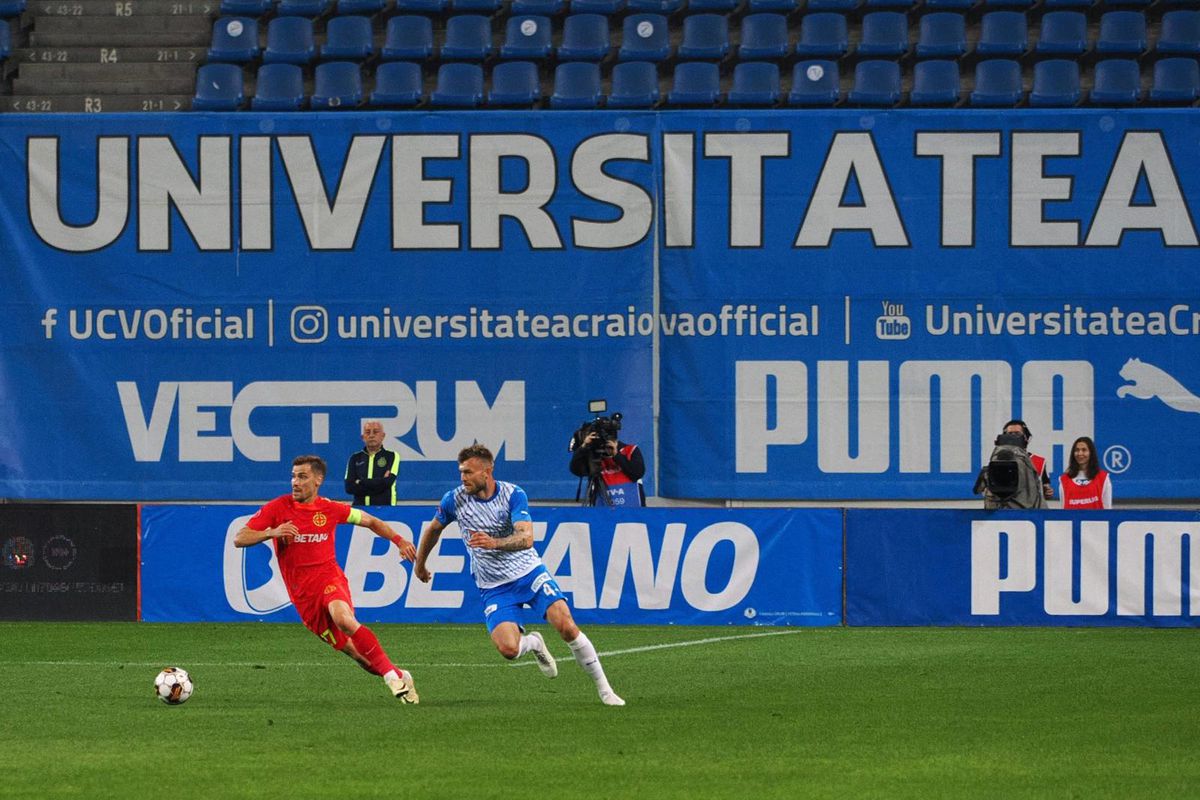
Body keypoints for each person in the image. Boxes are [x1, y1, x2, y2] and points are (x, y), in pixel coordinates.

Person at [415, 443, 625, 706]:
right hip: (493, 586)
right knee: (509, 650)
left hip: (528, 573)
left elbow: (526, 539)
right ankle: (534, 643)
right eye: (461, 472)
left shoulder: (513, 494)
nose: (463, 478)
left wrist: (494, 543)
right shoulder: (454, 499)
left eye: (468, 472)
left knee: (566, 625)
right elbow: (433, 530)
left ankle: (605, 690)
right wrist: (420, 565)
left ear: (487, 472)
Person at [235, 455, 420, 703]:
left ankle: (390, 677)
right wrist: (272, 532)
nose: (295, 482)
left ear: (318, 479)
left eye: (302, 476)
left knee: (343, 619)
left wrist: (400, 541)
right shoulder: (278, 508)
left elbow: (371, 521)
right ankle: (400, 674)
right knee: (361, 658)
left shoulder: (330, 509)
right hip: (304, 597)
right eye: (293, 476)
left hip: (329, 579)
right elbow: (240, 537)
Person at [568, 423, 646, 507]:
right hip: (603, 511)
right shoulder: (594, 455)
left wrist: (616, 454)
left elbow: (637, 473)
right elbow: (577, 470)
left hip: (633, 510)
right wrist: (584, 447)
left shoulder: (630, 450)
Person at [344, 420, 400, 506]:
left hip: (387, 510)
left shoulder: (392, 456)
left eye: (375, 432)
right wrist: (379, 484)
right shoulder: (354, 458)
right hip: (361, 511)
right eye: (367, 432)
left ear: (383, 436)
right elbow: (349, 487)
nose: (371, 435)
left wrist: (360, 482)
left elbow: (387, 483)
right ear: (363, 437)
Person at [1003, 419, 1055, 503]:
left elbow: (1046, 489)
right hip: (1007, 511)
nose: (1013, 437)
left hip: (1032, 512)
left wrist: (1048, 492)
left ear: (1026, 437)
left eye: (1017, 433)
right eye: (1009, 434)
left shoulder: (1040, 462)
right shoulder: (998, 460)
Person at [1059, 436, 1113, 509]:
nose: (1080, 453)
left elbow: (1108, 510)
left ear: (1091, 453)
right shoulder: (1064, 480)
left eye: (1084, 450)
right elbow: (1063, 510)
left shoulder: (1103, 478)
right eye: (1077, 450)